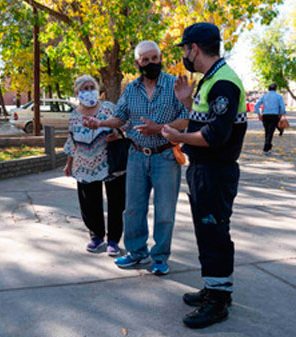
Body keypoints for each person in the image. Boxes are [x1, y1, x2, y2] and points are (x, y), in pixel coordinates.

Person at [161, 22, 247, 329]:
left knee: (214, 233)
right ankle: (214, 287)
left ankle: (219, 301)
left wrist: (177, 136)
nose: (184, 54)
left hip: (215, 171)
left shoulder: (224, 82)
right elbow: (202, 122)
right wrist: (187, 102)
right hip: (203, 171)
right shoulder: (209, 80)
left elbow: (214, 135)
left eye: (184, 48)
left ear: (194, 48)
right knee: (206, 232)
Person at [83, 41, 192, 276]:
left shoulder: (175, 85)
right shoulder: (131, 90)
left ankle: (160, 258)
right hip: (136, 156)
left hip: (166, 156)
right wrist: (100, 123)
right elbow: (119, 118)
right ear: (137, 63)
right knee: (132, 209)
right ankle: (136, 252)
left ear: (160, 58)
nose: (151, 63)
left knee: (164, 212)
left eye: (155, 58)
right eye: (145, 60)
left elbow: (185, 120)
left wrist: (160, 128)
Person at [63, 75, 126, 256]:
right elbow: (71, 141)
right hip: (84, 165)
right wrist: (69, 164)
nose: (88, 91)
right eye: (84, 88)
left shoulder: (108, 108)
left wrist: (116, 131)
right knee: (89, 203)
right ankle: (96, 235)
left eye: (91, 87)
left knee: (116, 203)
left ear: (97, 90)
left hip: (110, 163)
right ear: (76, 92)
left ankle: (113, 239)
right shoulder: (74, 116)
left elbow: (124, 125)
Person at [254, 83, 287, 154]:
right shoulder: (279, 96)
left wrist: (259, 114)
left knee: (267, 131)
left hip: (265, 115)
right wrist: (281, 114)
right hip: (274, 116)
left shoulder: (264, 96)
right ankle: (266, 148)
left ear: (268, 89)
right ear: (276, 89)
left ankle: (268, 146)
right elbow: (283, 107)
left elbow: (256, 105)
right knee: (271, 131)